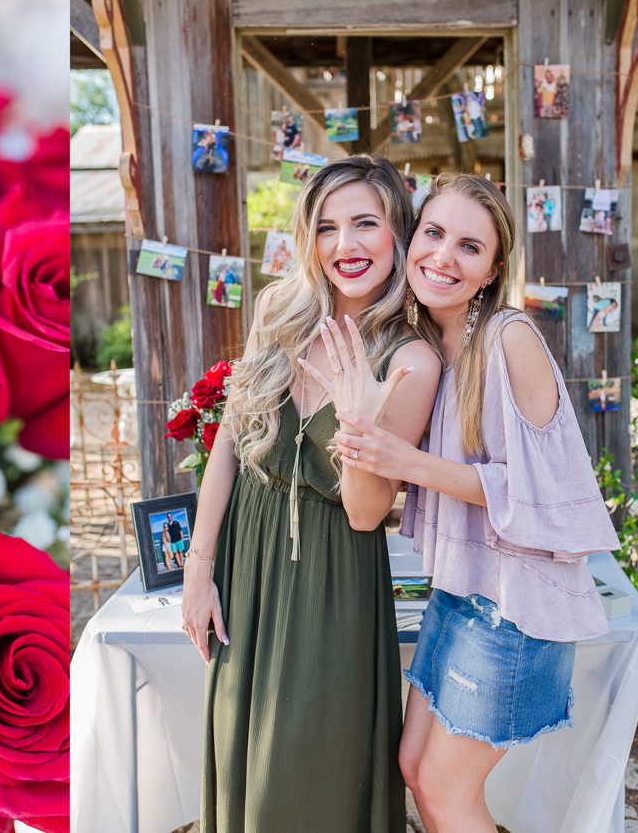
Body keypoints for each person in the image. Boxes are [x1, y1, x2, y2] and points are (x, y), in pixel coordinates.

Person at [323, 174, 620, 833]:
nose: (443, 257)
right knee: (412, 766)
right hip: (463, 595)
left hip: (517, 609)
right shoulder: (428, 349)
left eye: (469, 247)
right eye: (433, 234)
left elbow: (551, 497)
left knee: (445, 790)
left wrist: (407, 463)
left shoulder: (508, 338)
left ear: (490, 272)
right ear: (411, 241)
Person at [182, 154, 443, 833]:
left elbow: (364, 513)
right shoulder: (279, 308)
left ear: (399, 233)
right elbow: (229, 444)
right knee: (241, 754)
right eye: (326, 227)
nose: (344, 246)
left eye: (365, 224)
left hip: (332, 582)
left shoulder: (411, 360)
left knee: (310, 774)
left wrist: (357, 422)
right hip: (246, 565)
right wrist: (199, 565)